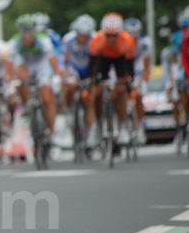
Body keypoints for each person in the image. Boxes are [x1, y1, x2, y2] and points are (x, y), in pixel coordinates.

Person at [88, 12, 136, 144]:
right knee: (96, 92)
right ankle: (96, 126)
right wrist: (92, 81)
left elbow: (129, 67)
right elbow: (92, 65)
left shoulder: (127, 41)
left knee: (121, 90)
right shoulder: (96, 40)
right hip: (102, 60)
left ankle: (122, 126)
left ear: (119, 33)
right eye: (108, 35)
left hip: (120, 60)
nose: (111, 39)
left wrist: (128, 82)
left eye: (114, 36)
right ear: (104, 33)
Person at [8, 14, 59, 137]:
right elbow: (10, 64)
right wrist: (10, 80)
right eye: (23, 32)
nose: (27, 35)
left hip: (41, 65)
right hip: (26, 65)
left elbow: (52, 59)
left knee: (47, 99)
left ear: (34, 31)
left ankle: (51, 132)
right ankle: (27, 105)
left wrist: (57, 75)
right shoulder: (14, 42)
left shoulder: (43, 40)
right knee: (19, 80)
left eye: (29, 31)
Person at [61, 15, 96, 142]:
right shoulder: (68, 39)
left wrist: (93, 76)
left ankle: (91, 129)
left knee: (90, 99)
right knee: (69, 85)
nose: (82, 37)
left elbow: (98, 60)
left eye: (85, 35)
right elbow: (64, 60)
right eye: (80, 34)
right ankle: (68, 110)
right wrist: (66, 74)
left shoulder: (94, 39)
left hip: (89, 69)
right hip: (73, 68)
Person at [125, 17, 152, 142]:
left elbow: (147, 66)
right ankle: (122, 125)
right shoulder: (122, 42)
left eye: (135, 34)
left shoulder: (145, 42)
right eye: (130, 34)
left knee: (138, 96)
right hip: (125, 69)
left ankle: (140, 125)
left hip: (139, 69)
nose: (133, 37)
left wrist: (143, 81)